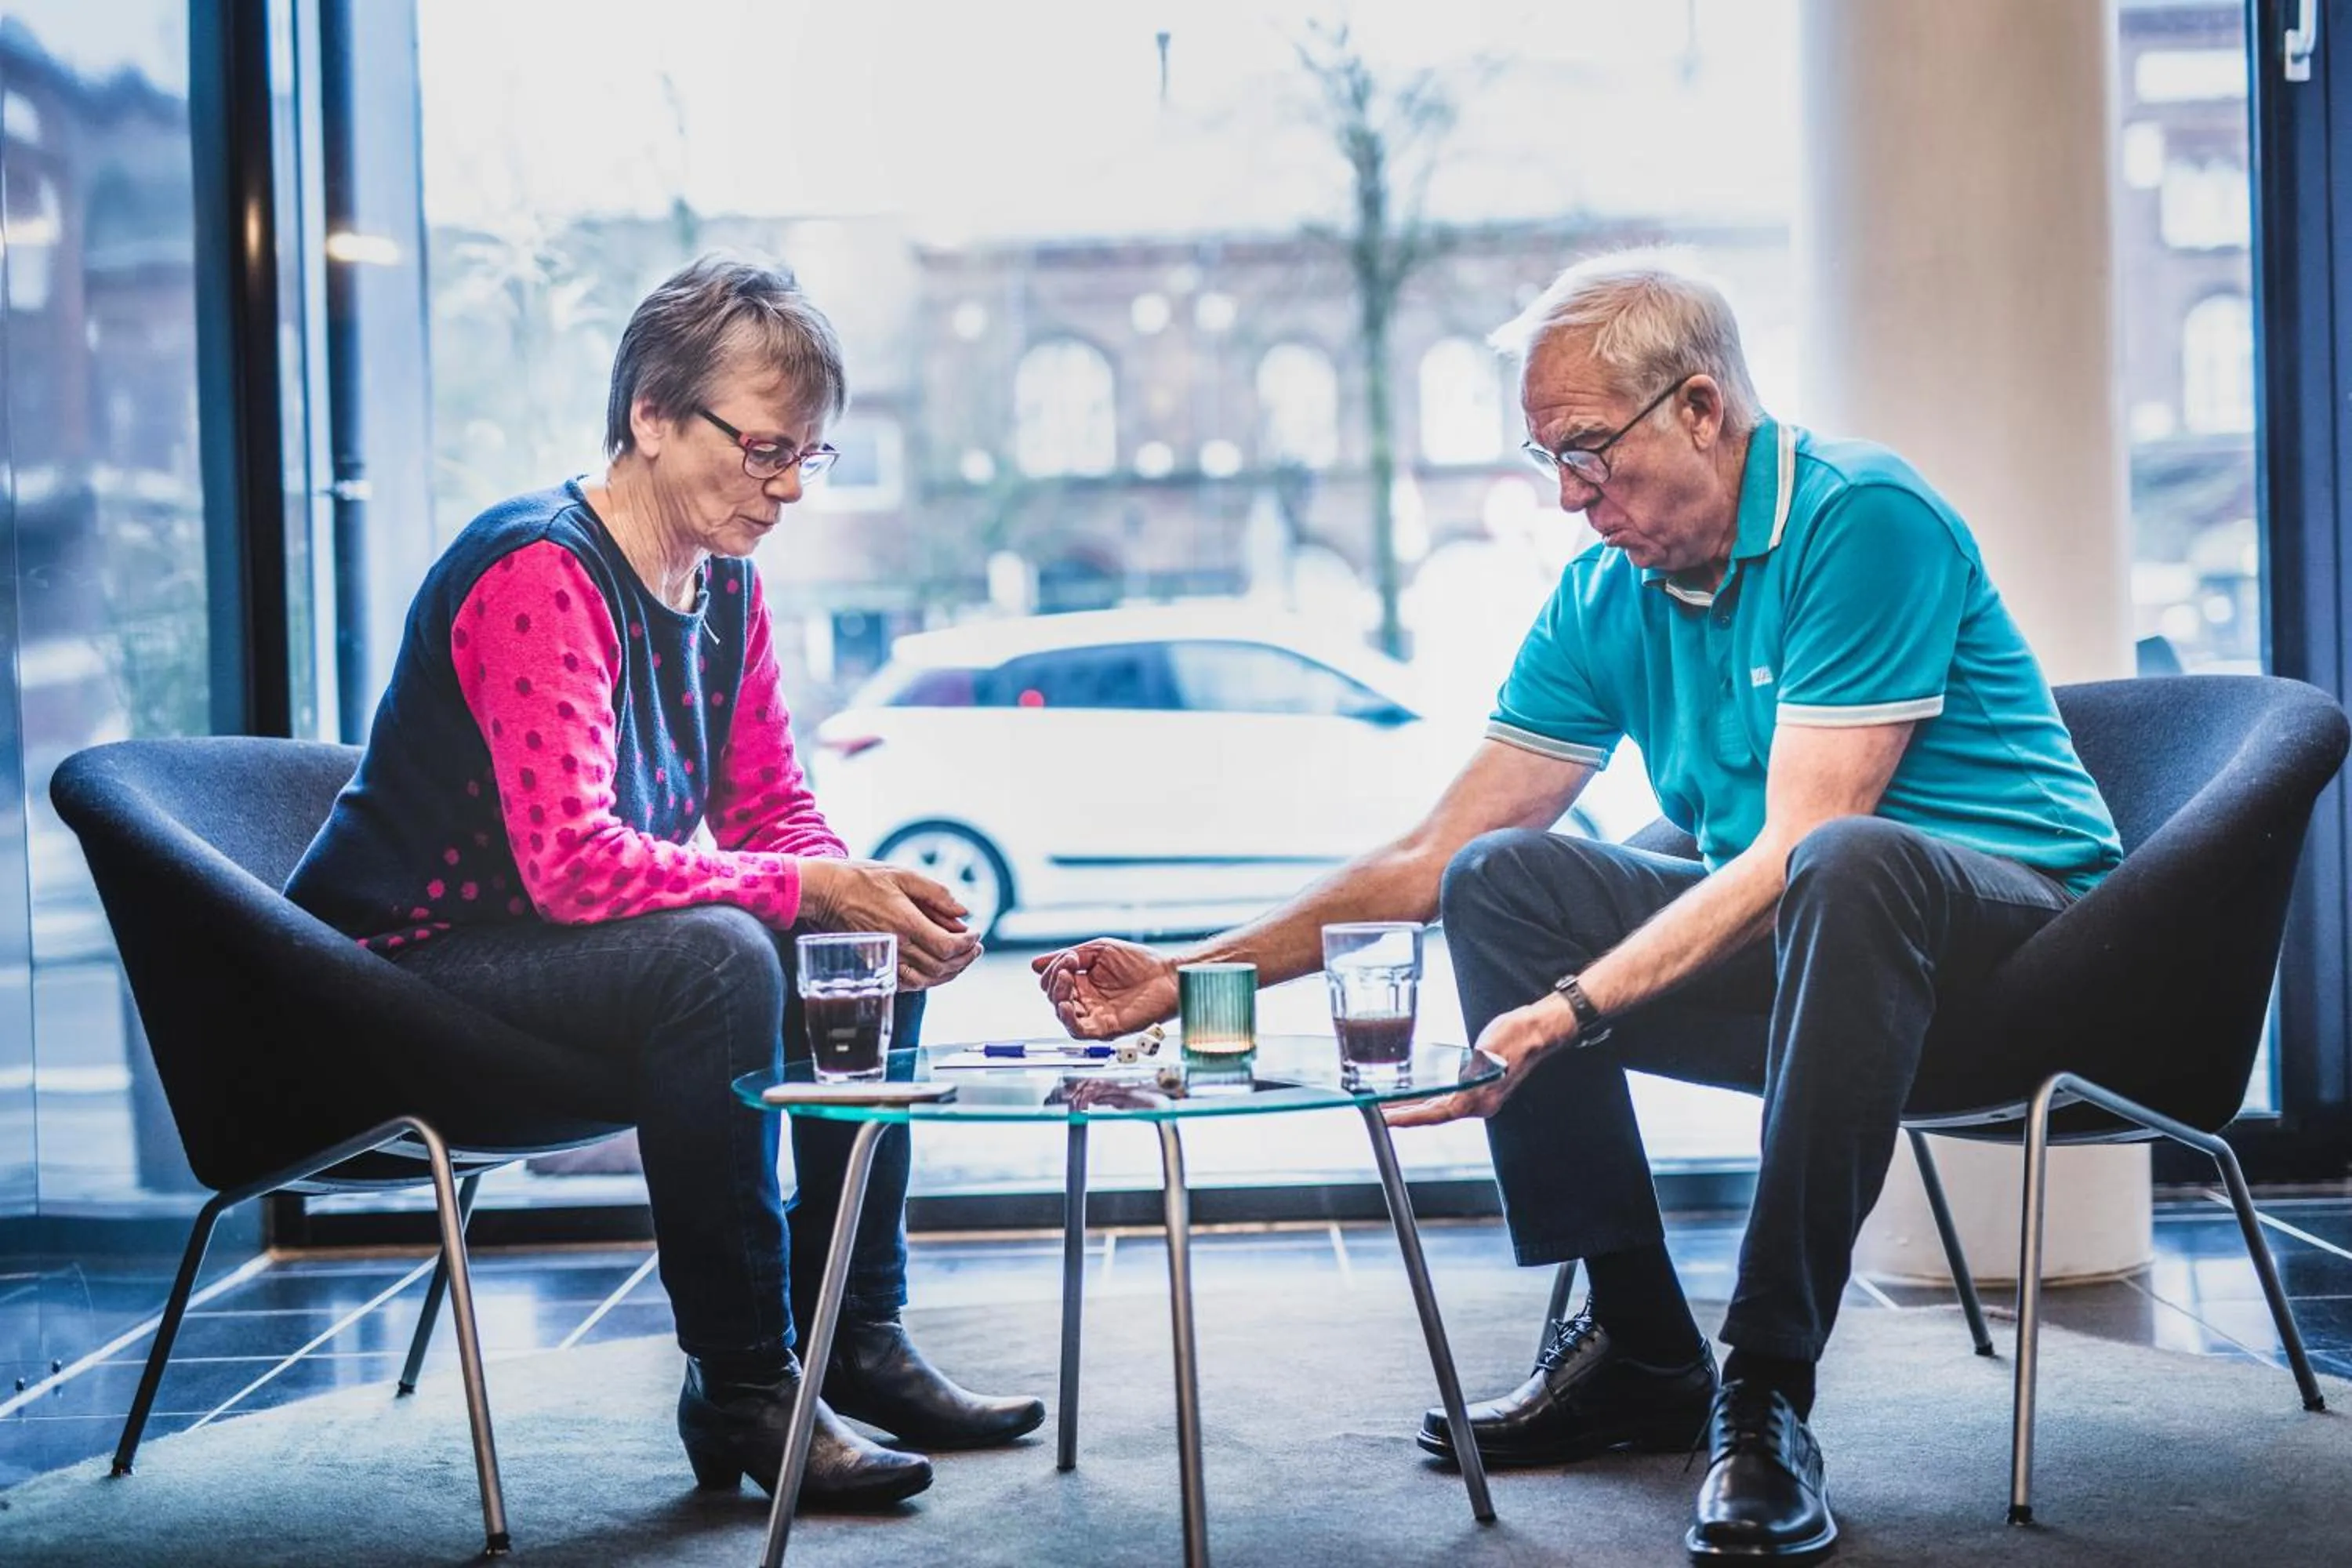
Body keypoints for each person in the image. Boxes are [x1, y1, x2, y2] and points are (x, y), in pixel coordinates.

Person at [1033, 250, 2121, 1564]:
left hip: (2027, 948)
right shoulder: (1612, 589)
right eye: (1550, 458)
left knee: (1853, 860)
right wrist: (1187, 975)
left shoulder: (1862, 519)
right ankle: (1639, 1345)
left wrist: (1574, 1007)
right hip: (1815, 946)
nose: (1568, 497)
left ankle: (1764, 1390)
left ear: (1703, 410)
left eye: (1590, 453)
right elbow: (1443, 850)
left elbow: (1800, 843)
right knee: (1505, 878)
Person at [288, 255, 1044, 1511]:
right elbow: (576, 864)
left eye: (811, 455)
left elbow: (767, 811)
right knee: (726, 953)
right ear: (649, 412)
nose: (789, 486)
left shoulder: (724, 584)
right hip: (401, 979)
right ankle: (744, 1383)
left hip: (544, 959)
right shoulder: (540, 569)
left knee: (861, 946)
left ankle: (853, 1336)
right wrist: (815, 895)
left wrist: (860, 893)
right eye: (762, 449)